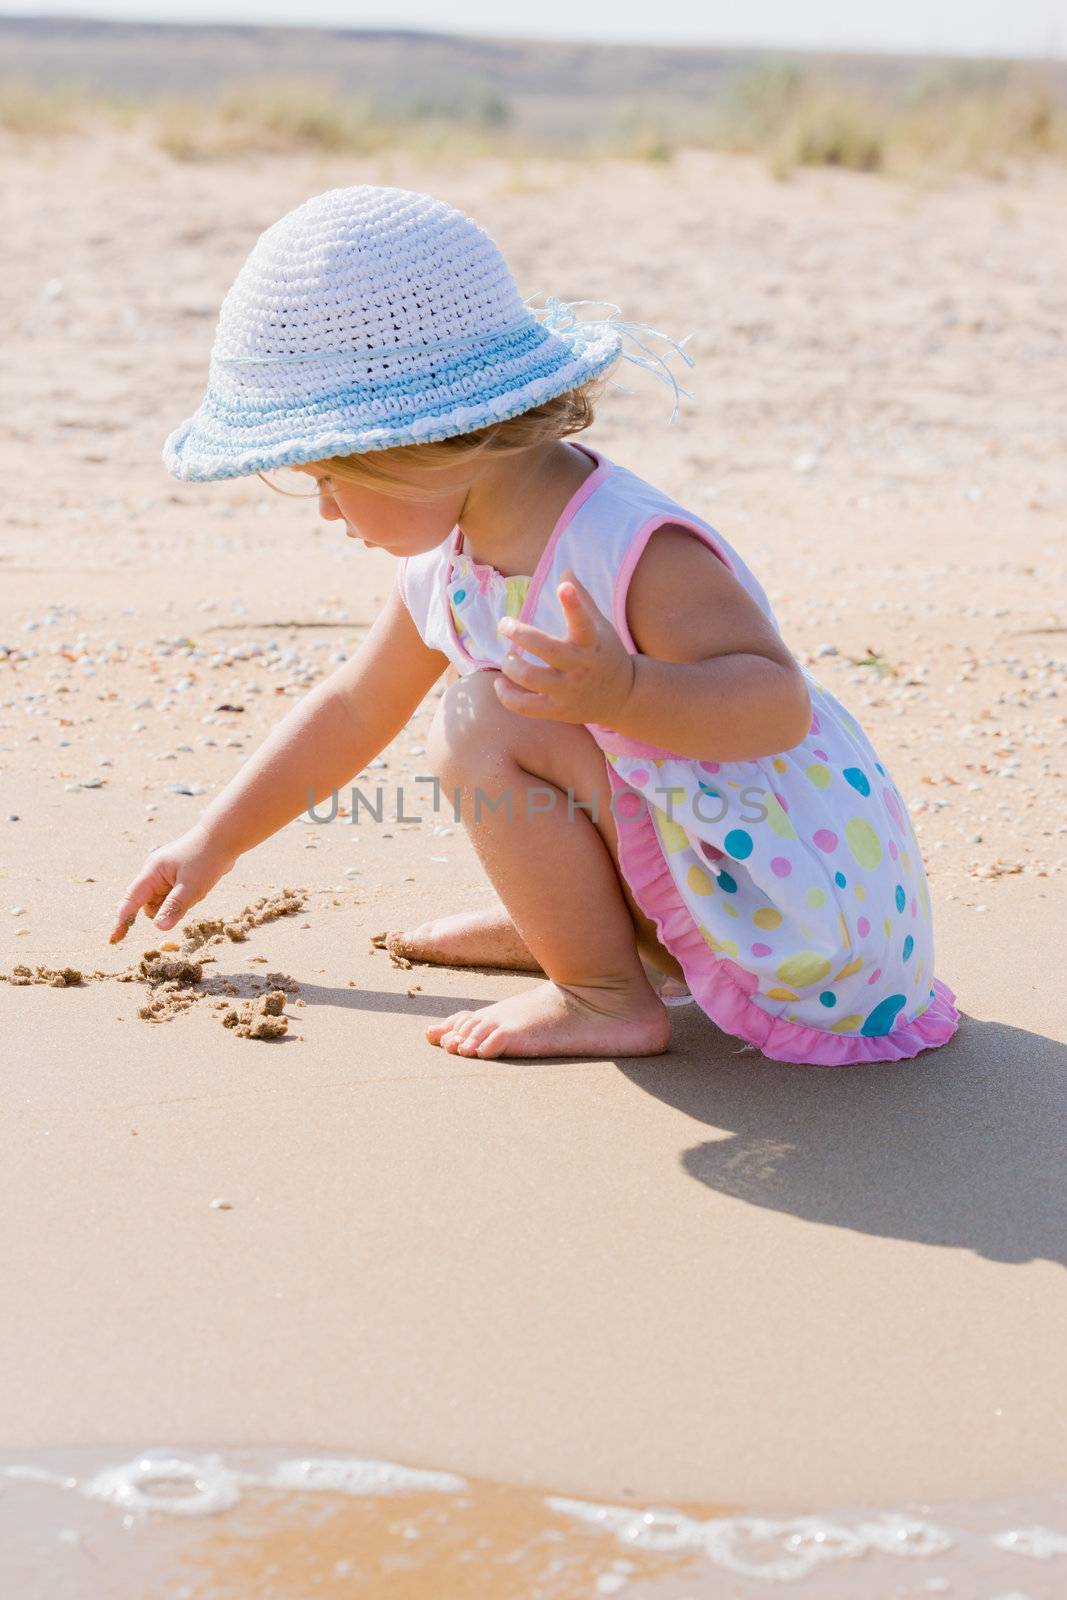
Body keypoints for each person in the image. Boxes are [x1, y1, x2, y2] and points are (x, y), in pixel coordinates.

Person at [109, 184, 959, 1066]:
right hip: (704, 868)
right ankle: (597, 930)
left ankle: (602, 995)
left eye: (328, 476)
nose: (324, 510)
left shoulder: (624, 544)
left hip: (795, 923)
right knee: (500, 710)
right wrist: (215, 839)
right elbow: (356, 707)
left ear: (426, 442)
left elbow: (774, 706)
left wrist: (626, 688)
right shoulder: (450, 556)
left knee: (480, 715)